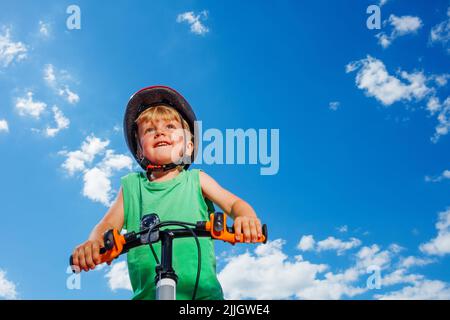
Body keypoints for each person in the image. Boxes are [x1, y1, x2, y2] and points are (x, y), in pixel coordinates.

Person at [70, 85, 263, 300]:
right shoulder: (132, 186)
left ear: (189, 146)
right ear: (140, 149)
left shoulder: (196, 179)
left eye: (171, 126)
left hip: (202, 297)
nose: (160, 132)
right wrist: (93, 243)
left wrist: (246, 218)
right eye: (150, 130)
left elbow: (234, 204)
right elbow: (107, 225)